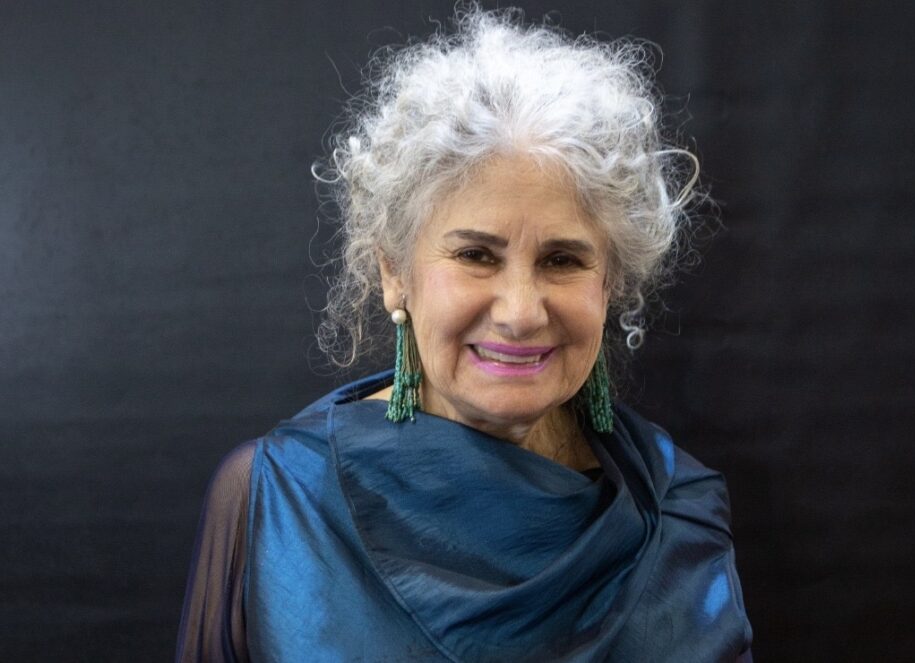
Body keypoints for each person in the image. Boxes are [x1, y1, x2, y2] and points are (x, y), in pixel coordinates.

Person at [177, 8, 753, 662]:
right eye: (476, 255)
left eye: (563, 260)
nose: (520, 312)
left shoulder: (679, 507)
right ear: (394, 273)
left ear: (610, 283)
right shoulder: (278, 497)